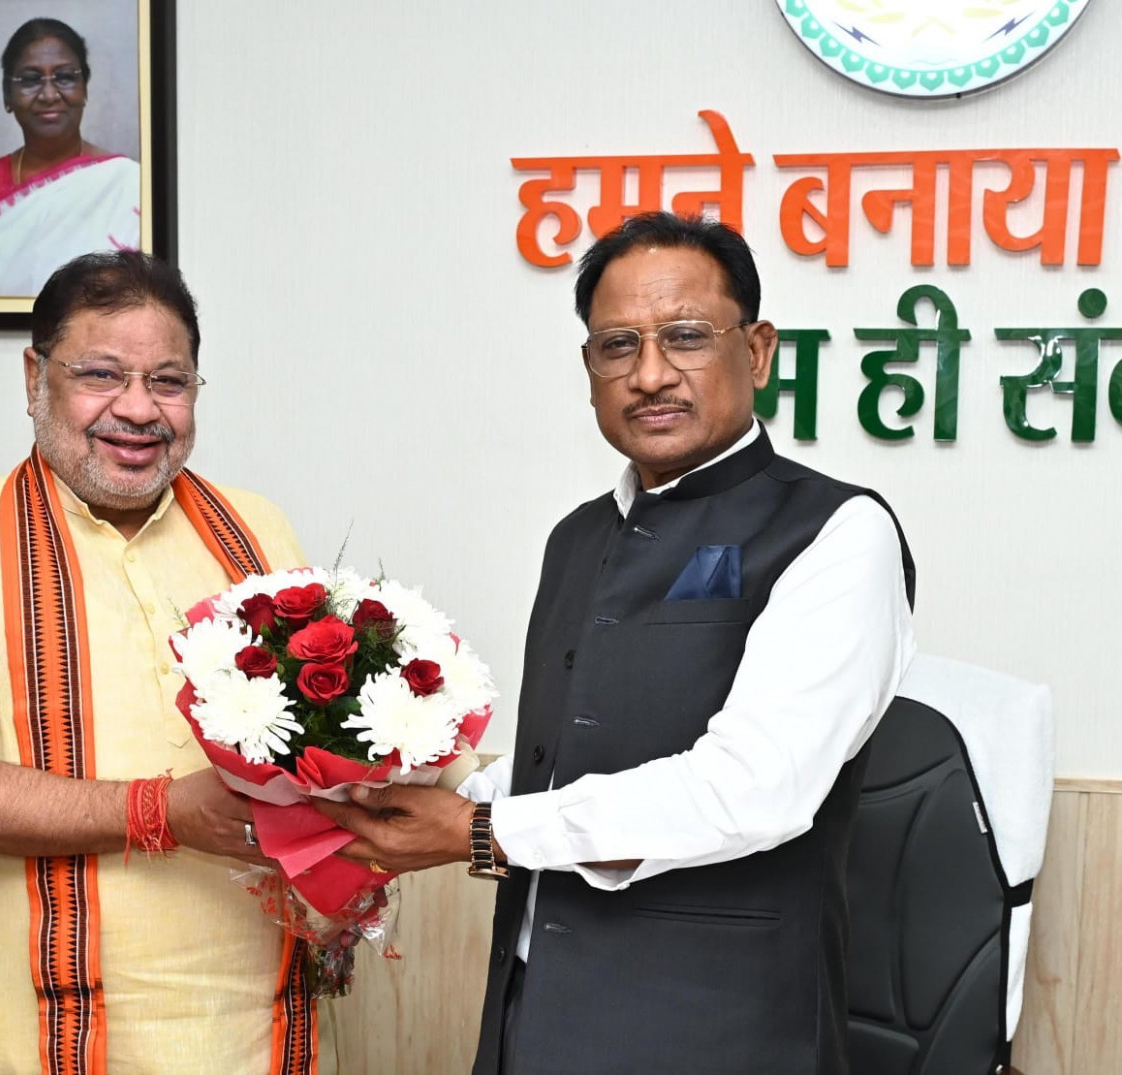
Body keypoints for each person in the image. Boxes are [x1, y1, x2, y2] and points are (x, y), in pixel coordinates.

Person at [315, 212, 916, 1074]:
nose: (651, 374)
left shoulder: (838, 530)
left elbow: (755, 789)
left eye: (686, 336)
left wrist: (480, 829)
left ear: (757, 351)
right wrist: (393, 788)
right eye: (617, 346)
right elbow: (564, 764)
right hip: (532, 1017)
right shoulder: (576, 537)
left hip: (719, 1034)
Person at [0, 251, 334, 1074]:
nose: (138, 409)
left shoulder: (257, 531)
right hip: (30, 1040)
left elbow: (319, 744)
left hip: (254, 1031)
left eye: (169, 381)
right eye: (102, 375)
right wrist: (162, 810)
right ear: (34, 377)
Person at [0, 18, 141, 297]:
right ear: (7, 96)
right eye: (30, 79)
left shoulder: (129, 184)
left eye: (65, 77)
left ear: (84, 90)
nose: (48, 95)